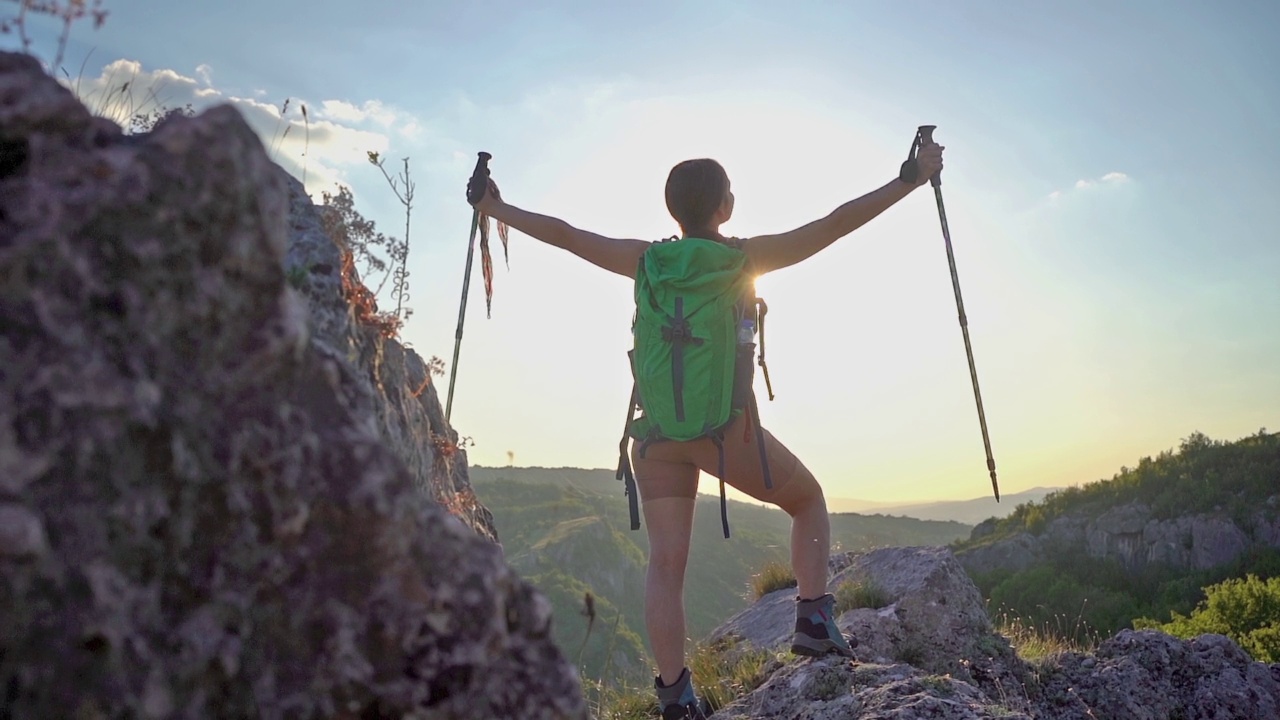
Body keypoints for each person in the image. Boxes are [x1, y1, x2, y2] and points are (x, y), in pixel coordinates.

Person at [469, 139, 944, 719]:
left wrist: (495, 208)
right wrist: (909, 179)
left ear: (674, 210)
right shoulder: (742, 258)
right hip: (725, 432)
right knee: (808, 499)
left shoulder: (646, 260)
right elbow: (835, 223)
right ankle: (814, 620)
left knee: (665, 565)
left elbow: (566, 234)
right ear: (724, 206)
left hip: (657, 435)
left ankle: (674, 696)